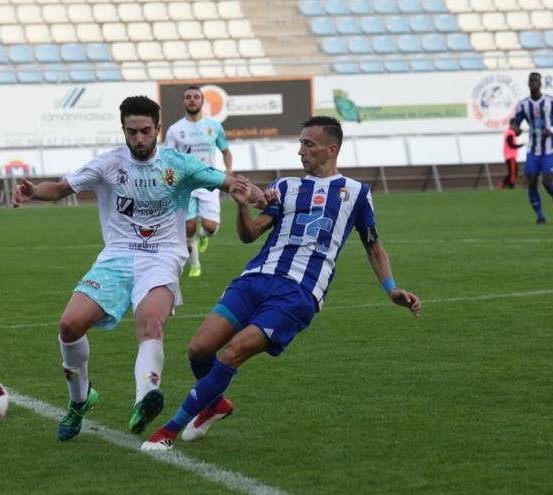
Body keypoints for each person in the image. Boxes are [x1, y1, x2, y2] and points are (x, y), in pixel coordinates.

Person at [141, 115, 422, 451]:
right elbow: (251, 235)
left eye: (308, 144)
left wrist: (391, 288)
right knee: (199, 349)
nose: (300, 150)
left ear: (331, 149)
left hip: (298, 294)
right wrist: (242, 209)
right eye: (300, 142)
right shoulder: (285, 187)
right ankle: (216, 404)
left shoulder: (357, 193)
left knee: (231, 353)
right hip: (253, 280)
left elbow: (373, 246)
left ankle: (168, 431)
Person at [11, 95, 266, 442]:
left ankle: (145, 397)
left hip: (162, 256)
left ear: (158, 129)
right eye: (132, 132)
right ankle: (80, 400)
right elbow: (59, 188)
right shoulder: (109, 164)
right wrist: (32, 190)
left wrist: (255, 194)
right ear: (123, 130)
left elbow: (228, 182)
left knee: (150, 323)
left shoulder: (179, 165)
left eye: (146, 131)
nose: (139, 139)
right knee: (69, 325)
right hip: (117, 256)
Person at [165, 86, 232, 278]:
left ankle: (203, 238)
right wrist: (170, 181)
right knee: (188, 227)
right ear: (183, 102)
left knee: (210, 227)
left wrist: (229, 170)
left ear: (202, 101)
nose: (192, 100)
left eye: (196, 97)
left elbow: (225, 150)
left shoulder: (214, 126)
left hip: (209, 180)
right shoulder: (175, 130)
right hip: (185, 184)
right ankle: (195, 265)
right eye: (188, 97)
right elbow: (169, 159)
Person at [510, 72, 553, 224]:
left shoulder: (551, 102)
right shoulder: (524, 104)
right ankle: (540, 216)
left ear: (540, 83)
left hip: (549, 149)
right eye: (531, 80)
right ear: (528, 84)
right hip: (533, 149)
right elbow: (514, 123)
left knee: (547, 181)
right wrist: (516, 129)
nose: (533, 82)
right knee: (532, 180)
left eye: (536, 80)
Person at [499, 125, 523, 189]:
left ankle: (504, 184)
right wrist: (520, 145)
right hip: (510, 156)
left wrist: (520, 131)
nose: (516, 128)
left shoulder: (510, 132)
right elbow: (511, 145)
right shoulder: (510, 133)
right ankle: (509, 185)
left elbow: (517, 134)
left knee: (513, 171)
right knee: (513, 172)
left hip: (510, 156)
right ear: (512, 125)